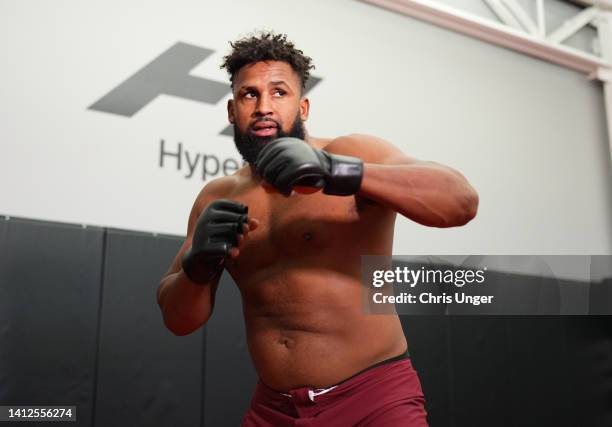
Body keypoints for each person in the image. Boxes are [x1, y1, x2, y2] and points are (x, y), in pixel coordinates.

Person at [156, 32, 479, 426]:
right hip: (274, 411)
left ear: (303, 106)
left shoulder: (354, 153)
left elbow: (461, 201)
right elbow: (178, 320)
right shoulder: (217, 197)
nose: (263, 107)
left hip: (374, 400)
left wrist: (338, 172)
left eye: (279, 92)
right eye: (249, 95)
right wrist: (197, 267)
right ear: (231, 110)